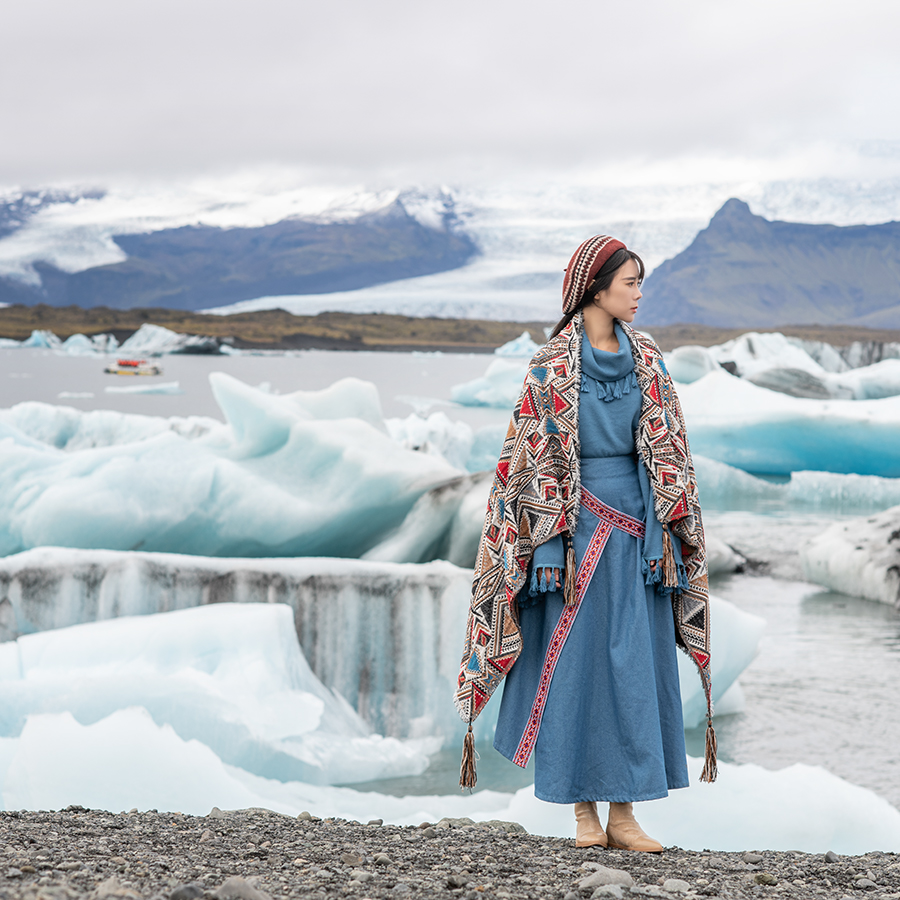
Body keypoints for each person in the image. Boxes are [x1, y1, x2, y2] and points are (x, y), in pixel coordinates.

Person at [454, 235, 716, 853]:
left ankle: (625, 814)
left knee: (633, 670)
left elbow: (668, 457)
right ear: (595, 289)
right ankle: (582, 815)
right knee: (572, 673)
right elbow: (529, 461)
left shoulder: (648, 359)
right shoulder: (550, 365)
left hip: (639, 542)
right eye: (630, 283)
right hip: (569, 543)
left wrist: (662, 533)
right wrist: (544, 545)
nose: (639, 294)